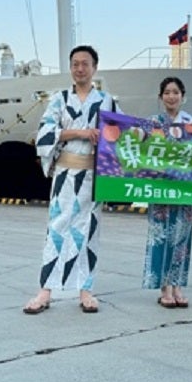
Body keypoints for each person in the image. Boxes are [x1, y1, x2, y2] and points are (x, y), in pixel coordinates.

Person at [23, 45, 118, 315]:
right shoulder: (60, 99)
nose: (79, 68)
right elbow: (44, 132)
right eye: (75, 64)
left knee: (89, 231)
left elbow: (121, 132)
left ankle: (85, 289)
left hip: (93, 175)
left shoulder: (107, 100)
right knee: (57, 229)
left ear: (94, 67)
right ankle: (46, 290)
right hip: (65, 174)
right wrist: (80, 132)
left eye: (85, 63)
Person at [143, 77, 192, 308]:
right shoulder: (152, 123)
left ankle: (177, 285)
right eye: (166, 92)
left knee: (182, 237)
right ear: (160, 97)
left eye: (175, 92)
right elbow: (142, 151)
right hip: (160, 187)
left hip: (184, 188)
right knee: (161, 235)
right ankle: (164, 287)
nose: (171, 96)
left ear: (183, 96)